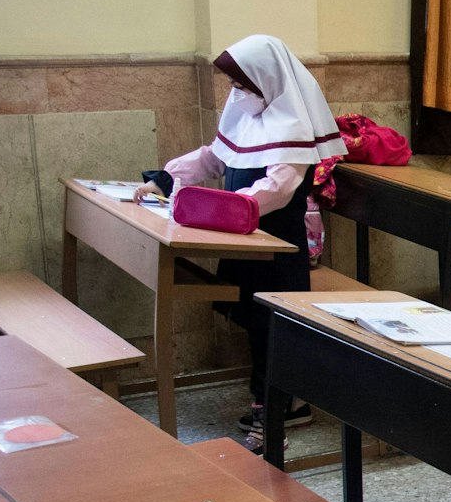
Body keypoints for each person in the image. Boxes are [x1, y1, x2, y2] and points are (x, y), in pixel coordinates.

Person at [132, 35, 345, 452]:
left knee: (272, 327)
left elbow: (278, 188)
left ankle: (272, 415)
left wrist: (222, 207)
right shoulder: (246, 116)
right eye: (234, 86)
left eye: (242, 86)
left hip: (275, 247)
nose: (236, 94)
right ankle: (285, 402)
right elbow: (216, 157)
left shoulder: (292, 126)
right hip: (242, 240)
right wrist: (167, 177)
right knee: (252, 320)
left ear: (266, 82)